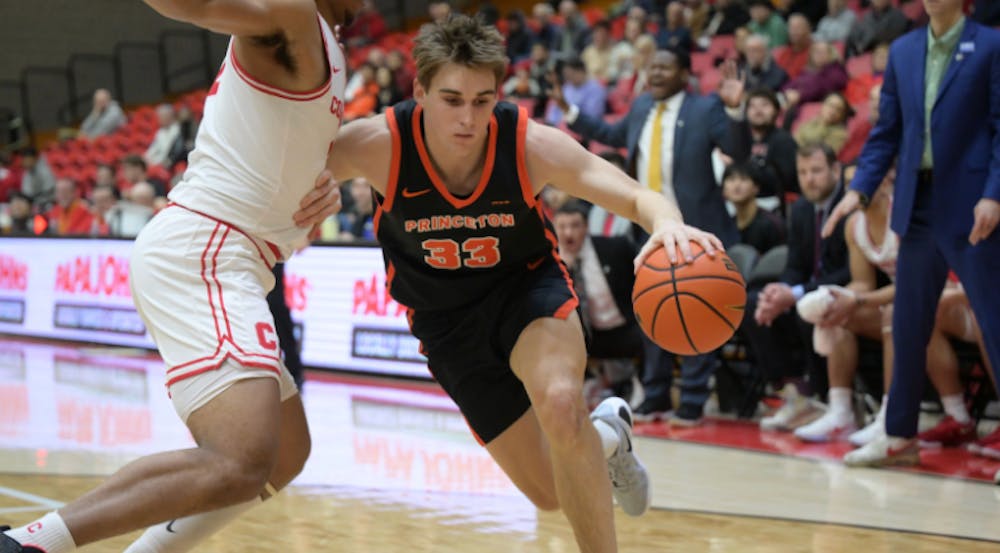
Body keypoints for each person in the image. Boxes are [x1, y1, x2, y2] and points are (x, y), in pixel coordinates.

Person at [325, 15, 723, 551]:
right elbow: (285, 189)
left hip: (526, 291)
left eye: (483, 100)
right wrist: (303, 207)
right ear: (418, 90)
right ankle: (610, 437)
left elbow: (634, 196)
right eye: (451, 99)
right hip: (445, 324)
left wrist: (669, 224)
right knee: (550, 493)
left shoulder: (527, 144)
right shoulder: (377, 144)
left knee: (561, 404)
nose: (469, 118)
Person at [0, 1, 356, 552]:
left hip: (234, 257)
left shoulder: (326, 41)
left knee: (285, 453)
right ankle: (27, 545)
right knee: (239, 456)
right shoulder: (292, 11)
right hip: (207, 248)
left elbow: (289, 143)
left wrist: (324, 177)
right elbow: (208, 5)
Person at [823, 0, 1000, 472]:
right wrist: (859, 191)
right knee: (907, 324)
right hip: (916, 204)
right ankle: (899, 433)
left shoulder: (991, 46)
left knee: (995, 321)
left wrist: (994, 194)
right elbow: (886, 133)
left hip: (973, 206)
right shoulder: (903, 50)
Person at [552, 46, 741, 424]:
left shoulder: (705, 109)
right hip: (650, 230)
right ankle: (654, 394)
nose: (654, 73)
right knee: (654, 311)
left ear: (685, 73)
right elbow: (610, 133)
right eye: (651, 66)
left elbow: (739, 149)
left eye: (664, 67)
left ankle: (692, 398)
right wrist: (569, 112)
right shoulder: (640, 107)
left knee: (693, 311)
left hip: (695, 231)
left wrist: (735, 111)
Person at [744, 143, 851, 432]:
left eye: (816, 171)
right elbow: (794, 265)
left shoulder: (849, 206)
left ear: (835, 171)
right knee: (755, 303)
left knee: (810, 306)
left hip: (847, 294)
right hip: (809, 290)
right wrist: (780, 290)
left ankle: (826, 398)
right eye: (802, 172)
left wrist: (796, 293)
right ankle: (793, 393)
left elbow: (850, 271)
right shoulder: (801, 208)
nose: (809, 179)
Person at [722, 163, 786, 254]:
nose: (737, 185)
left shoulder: (771, 225)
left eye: (743, 179)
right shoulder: (726, 225)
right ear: (724, 190)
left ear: (756, 188)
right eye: (731, 179)